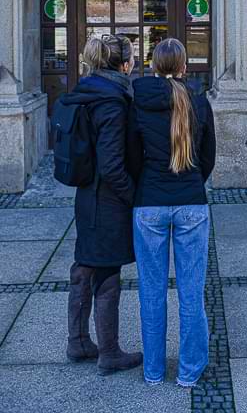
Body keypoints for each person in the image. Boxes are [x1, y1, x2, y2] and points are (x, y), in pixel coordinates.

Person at [128, 37, 216, 387]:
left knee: (151, 292)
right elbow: (208, 156)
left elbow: (132, 156)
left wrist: (146, 184)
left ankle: (153, 371)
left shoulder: (138, 102)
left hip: (149, 202)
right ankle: (189, 371)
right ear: (183, 66)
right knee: (191, 291)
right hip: (191, 202)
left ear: (153, 66)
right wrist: (192, 180)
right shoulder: (197, 100)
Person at [62, 34, 143, 376]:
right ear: (124, 64)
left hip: (86, 194)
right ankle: (108, 352)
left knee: (84, 266)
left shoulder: (87, 90)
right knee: (107, 271)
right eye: (133, 58)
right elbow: (111, 164)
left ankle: (79, 341)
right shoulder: (112, 100)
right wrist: (133, 197)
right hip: (107, 198)